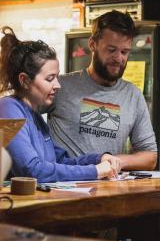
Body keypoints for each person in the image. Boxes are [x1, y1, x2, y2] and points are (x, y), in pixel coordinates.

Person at [0, 26, 121, 183]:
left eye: (57, 77)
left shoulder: (35, 116)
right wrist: (95, 171)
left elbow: (59, 162)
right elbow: (30, 170)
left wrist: (99, 159)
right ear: (25, 80)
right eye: (50, 79)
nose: (58, 85)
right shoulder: (7, 109)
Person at [48, 10, 157, 171]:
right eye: (111, 50)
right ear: (92, 44)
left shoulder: (133, 95)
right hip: (65, 186)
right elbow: (25, 115)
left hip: (108, 189)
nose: (119, 58)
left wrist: (114, 162)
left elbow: (150, 156)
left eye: (124, 52)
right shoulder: (61, 86)